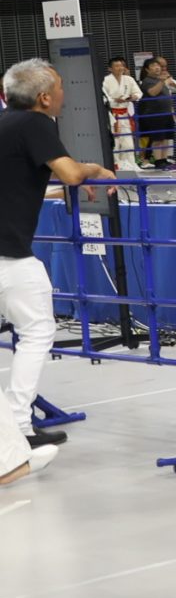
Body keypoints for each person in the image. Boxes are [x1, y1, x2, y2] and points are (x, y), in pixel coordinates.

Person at [0, 60, 110, 486]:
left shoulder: (6, 125)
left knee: (32, 328)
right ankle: (19, 424)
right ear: (44, 97)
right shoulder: (34, 124)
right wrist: (96, 170)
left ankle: (15, 427)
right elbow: (68, 173)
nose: (63, 94)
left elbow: (21, 184)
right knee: (38, 329)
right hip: (9, 255)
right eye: (60, 88)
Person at [101, 57, 141, 170]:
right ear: (110, 69)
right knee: (115, 142)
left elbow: (138, 93)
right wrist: (114, 100)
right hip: (112, 114)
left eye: (121, 65)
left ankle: (131, 164)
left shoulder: (128, 79)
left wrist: (134, 97)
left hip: (125, 113)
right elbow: (104, 98)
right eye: (117, 66)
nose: (120, 68)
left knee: (128, 141)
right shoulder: (106, 80)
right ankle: (116, 165)